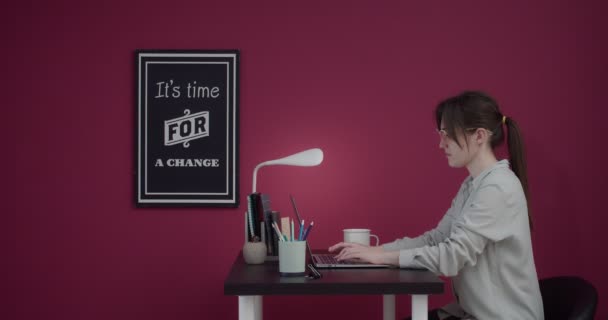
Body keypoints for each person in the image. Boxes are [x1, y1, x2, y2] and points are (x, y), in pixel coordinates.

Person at [329, 91, 544, 320]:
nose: (441, 144)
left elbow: (451, 257)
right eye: (440, 134)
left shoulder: (498, 188)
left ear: (479, 136)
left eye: (447, 134)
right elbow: (436, 238)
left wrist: (381, 258)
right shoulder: (473, 185)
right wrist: (375, 251)